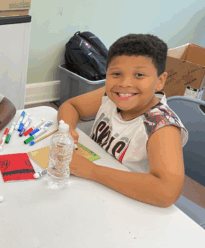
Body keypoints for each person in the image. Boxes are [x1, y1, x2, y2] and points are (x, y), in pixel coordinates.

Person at [57, 34, 188, 208]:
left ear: (160, 81)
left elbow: (167, 191)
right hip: (95, 188)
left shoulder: (161, 125)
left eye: (139, 75)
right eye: (116, 74)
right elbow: (72, 106)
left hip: (131, 203)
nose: (125, 83)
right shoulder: (111, 96)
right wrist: (67, 129)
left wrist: (92, 171)